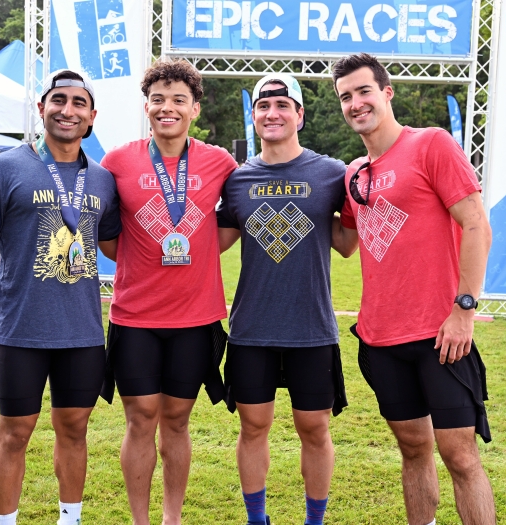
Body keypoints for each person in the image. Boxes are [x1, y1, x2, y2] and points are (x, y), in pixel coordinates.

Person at [331, 52, 495, 525]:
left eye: (364, 91)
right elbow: (345, 242)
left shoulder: (430, 144)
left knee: (460, 457)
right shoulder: (353, 172)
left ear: (387, 92)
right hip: (380, 338)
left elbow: (476, 225)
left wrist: (463, 310)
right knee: (413, 449)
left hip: (440, 335)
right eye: (346, 96)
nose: (356, 103)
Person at [0, 69, 121, 525]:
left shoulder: (104, 180)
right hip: (21, 328)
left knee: (74, 429)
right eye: (58, 101)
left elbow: (115, 245)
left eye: (77, 104)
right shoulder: (3, 169)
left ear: (91, 117)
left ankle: (69, 520)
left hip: (83, 332)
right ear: (41, 108)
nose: (67, 110)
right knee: (14, 433)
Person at [98, 59, 237, 525]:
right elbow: (105, 231)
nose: (167, 108)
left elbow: (236, 218)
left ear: (195, 108)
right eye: (158, 99)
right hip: (135, 317)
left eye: (178, 99)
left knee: (177, 421)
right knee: (140, 421)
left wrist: (199, 252)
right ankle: (141, 521)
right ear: (147, 107)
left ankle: (171, 518)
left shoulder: (220, 162)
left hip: (195, 319)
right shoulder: (118, 161)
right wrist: (142, 258)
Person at [217, 73, 350, 525]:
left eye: (282, 105)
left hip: (311, 327)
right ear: (254, 117)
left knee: (314, 428)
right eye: (263, 106)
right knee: (253, 427)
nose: (272, 114)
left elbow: (348, 243)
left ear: (300, 115)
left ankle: (314, 521)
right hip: (252, 328)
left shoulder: (332, 173)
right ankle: (258, 519)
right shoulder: (237, 180)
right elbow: (212, 244)